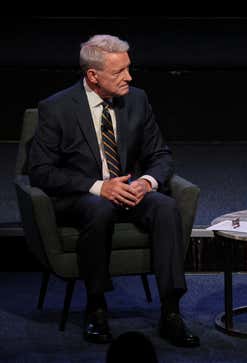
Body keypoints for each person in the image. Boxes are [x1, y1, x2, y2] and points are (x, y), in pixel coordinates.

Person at [29, 34, 199, 347]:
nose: (129, 78)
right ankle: (96, 306)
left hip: (129, 190)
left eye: (129, 69)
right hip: (83, 197)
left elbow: (160, 155)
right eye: (119, 72)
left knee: (164, 207)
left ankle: (171, 311)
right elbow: (40, 172)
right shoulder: (57, 108)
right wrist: (99, 187)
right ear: (93, 76)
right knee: (100, 208)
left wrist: (145, 183)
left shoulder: (137, 99)